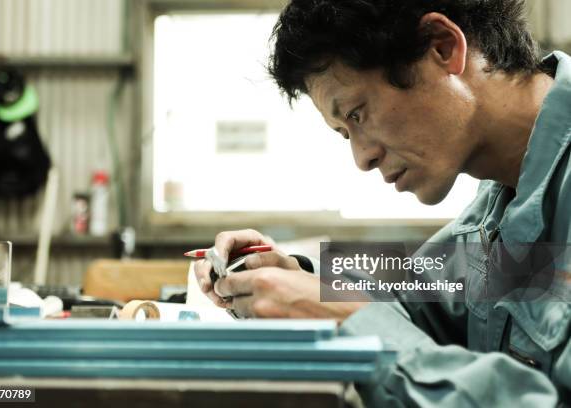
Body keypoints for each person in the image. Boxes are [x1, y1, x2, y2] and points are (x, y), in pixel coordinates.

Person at [194, 0, 571, 405]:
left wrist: (353, 323)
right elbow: (419, 292)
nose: (362, 158)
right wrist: (300, 277)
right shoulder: (500, 204)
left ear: (442, 47)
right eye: (344, 133)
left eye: (357, 114)